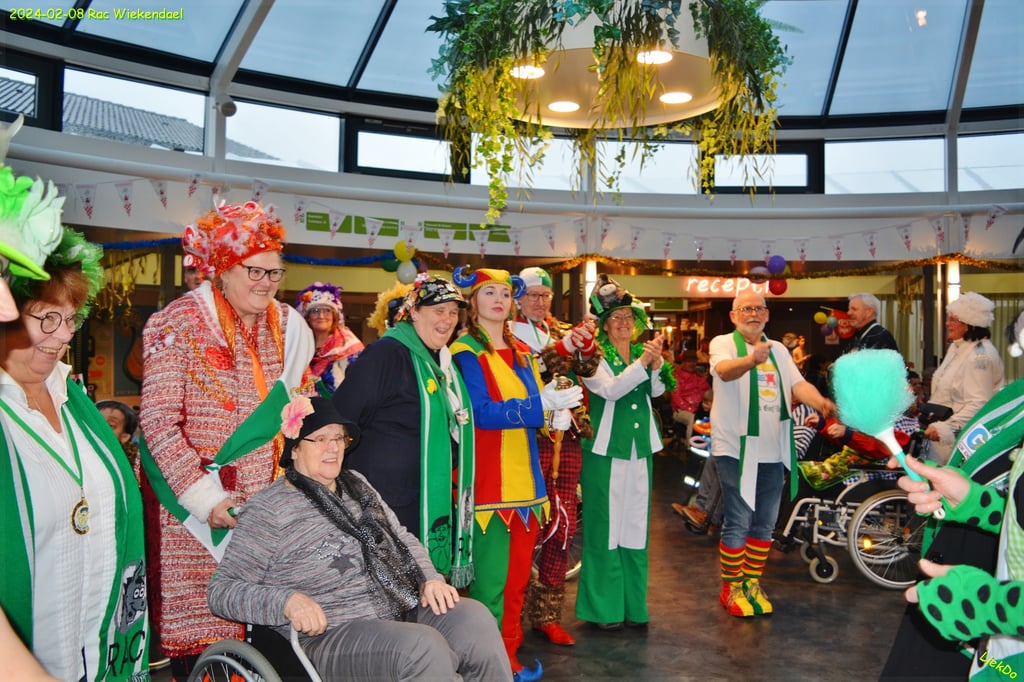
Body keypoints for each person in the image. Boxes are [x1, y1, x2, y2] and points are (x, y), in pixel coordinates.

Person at [207, 396, 510, 681]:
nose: (333, 448)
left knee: (474, 620)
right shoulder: (269, 509)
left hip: (396, 606)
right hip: (329, 633)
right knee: (422, 647)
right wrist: (287, 601)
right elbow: (221, 592)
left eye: (339, 438)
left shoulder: (358, 486)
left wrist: (429, 578)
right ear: (295, 449)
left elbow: (401, 537)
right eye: (320, 439)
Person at [140, 200, 314, 678]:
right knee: (207, 634)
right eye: (253, 270)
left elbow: (304, 407)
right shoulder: (176, 322)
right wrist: (205, 499)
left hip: (271, 508)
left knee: (274, 632)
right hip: (196, 511)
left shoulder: (290, 327)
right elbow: (158, 421)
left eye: (273, 272)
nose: (265, 282)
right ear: (221, 269)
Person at [0, 227, 150, 681]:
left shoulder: (75, 399)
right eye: (47, 317)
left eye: (70, 319)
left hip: (97, 649)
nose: (63, 335)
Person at [451, 265, 581, 681]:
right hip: (489, 486)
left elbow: (533, 412)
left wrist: (553, 418)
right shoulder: (463, 352)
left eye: (505, 294)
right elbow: (481, 413)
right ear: (473, 301)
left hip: (528, 486)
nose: (498, 300)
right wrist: (539, 406)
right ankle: (487, 664)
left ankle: (509, 655)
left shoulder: (522, 352)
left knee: (517, 583)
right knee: (489, 585)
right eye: (489, 292)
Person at [879, 309, 1024, 681]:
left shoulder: (981, 357)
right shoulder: (1016, 396)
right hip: (998, 652)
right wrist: (974, 501)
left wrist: (994, 605)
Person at [333, 274, 475, 587]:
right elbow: (342, 418)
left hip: (426, 498)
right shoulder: (386, 354)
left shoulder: (444, 365)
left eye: (453, 312)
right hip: (385, 504)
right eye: (438, 310)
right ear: (414, 312)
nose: (447, 319)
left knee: (420, 594)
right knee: (389, 594)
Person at [710, 290, 835, 618]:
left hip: (773, 450)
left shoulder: (778, 349)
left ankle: (751, 584)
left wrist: (820, 402)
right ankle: (731, 587)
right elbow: (724, 371)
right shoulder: (723, 343)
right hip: (734, 449)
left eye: (758, 309)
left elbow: (798, 385)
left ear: (766, 315)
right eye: (745, 309)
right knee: (738, 520)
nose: (753, 314)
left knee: (765, 523)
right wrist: (752, 360)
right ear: (734, 316)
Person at [575, 274, 675, 631]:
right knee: (605, 528)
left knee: (634, 527)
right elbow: (611, 390)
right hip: (604, 451)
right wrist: (644, 364)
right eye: (616, 317)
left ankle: (634, 606)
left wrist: (657, 366)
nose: (623, 323)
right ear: (604, 324)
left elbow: (658, 392)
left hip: (639, 449)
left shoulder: (639, 354)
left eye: (629, 317)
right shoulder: (592, 356)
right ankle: (604, 610)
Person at [511, 266, 598, 647]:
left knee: (563, 524)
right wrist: (561, 350)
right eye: (532, 295)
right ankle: (511, 615)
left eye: (545, 295)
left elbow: (589, 370)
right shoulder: (505, 334)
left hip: (569, 434)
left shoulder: (561, 329)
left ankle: (547, 615)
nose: (540, 301)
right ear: (518, 298)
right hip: (529, 438)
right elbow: (533, 368)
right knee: (524, 526)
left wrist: (587, 348)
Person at [922, 292, 1005, 464]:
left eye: (953, 320)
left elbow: (979, 403)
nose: (947, 324)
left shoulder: (979, 356)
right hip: (941, 437)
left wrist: (946, 428)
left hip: (959, 440)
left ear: (968, 325)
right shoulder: (957, 347)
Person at [295, 281, 365, 393]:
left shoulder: (351, 347)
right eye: (315, 311)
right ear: (308, 317)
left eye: (327, 311)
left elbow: (361, 385)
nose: (321, 316)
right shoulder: (298, 346)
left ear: (334, 316)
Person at [670, 350, 711, 443]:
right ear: (683, 362)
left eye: (694, 361)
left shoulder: (699, 377)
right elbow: (676, 398)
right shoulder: (676, 377)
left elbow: (708, 392)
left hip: (701, 408)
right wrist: (691, 409)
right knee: (693, 418)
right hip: (681, 410)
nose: (692, 364)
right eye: (689, 361)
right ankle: (691, 445)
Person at [96, 399, 139, 473]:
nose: (98, 427)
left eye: (110, 425)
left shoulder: (125, 469)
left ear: (124, 437)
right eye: (95, 421)